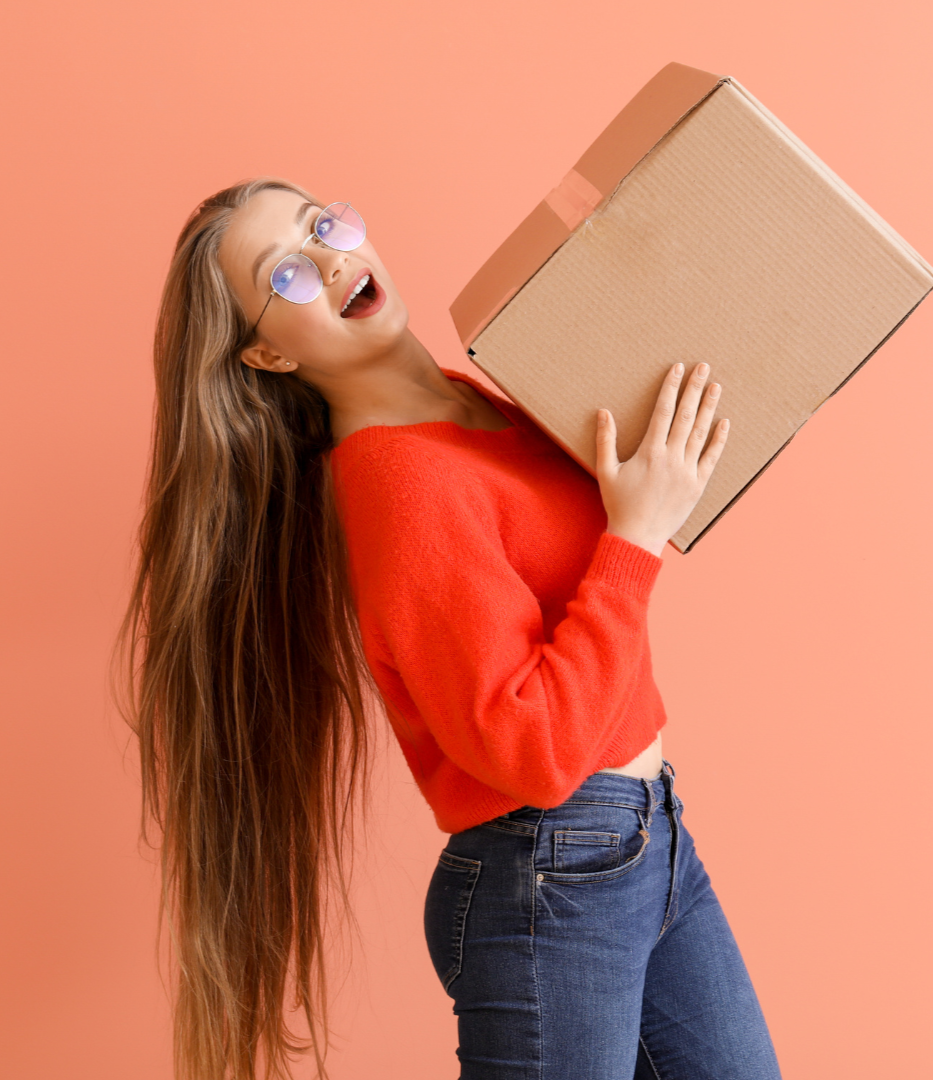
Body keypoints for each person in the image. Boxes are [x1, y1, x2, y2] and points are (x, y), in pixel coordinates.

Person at [119, 177, 782, 1080]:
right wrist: (634, 537)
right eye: (286, 277)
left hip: (646, 842)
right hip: (553, 876)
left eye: (324, 224)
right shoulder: (400, 483)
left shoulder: (474, 403)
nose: (329, 257)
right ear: (267, 358)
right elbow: (530, 750)